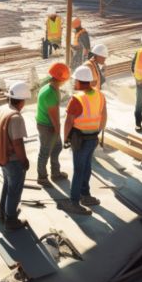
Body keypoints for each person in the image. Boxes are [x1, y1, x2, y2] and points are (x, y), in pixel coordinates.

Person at [62, 66, 107, 215]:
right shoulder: (100, 95)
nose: (74, 82)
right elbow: (103, 117)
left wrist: (65, 138)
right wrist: (97, 132)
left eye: (75, 80)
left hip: (79, 139)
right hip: (92, 138)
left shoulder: (77, 99)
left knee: (79, 169)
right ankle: (85, 195)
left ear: (81, 82)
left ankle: (74, 202)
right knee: (87, 166)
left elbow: (69, 121)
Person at [0, 81, 31, 230]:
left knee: (8, 186)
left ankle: (3, 212)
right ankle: (11, 219)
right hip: (13, 160)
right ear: (21, 101)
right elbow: (17, 143)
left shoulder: (2, 109)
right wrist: (24, 160)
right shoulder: (16, 118)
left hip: (2, 156)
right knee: (14, 190)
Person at [35, 62, 70, 187]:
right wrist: (58, 130)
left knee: (56, 148)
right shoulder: (50, 93)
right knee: (45, 151)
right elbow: (54, 116)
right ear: (62, 78)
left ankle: (55, 173)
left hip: (46, 123)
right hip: (47, 126)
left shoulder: (51, 87)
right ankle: (42, 177)